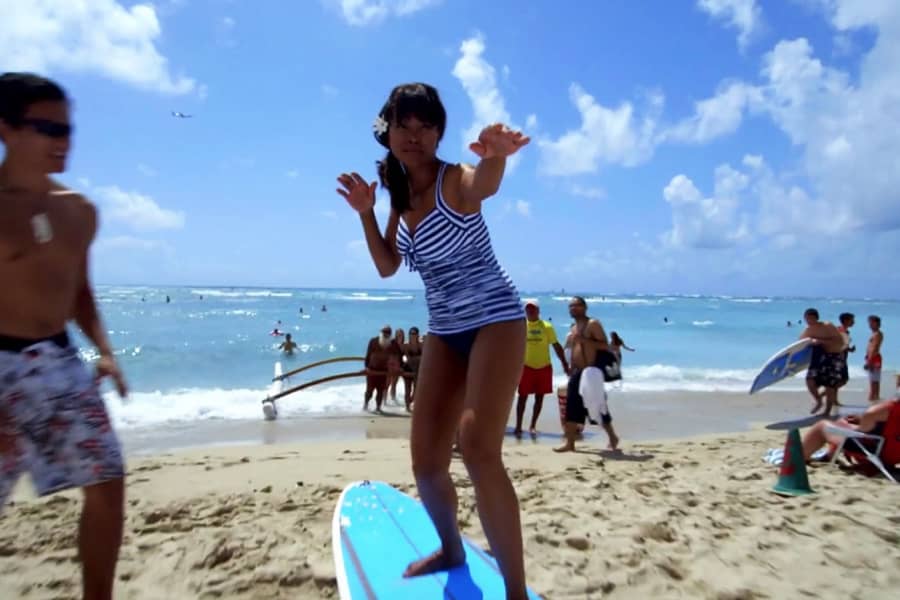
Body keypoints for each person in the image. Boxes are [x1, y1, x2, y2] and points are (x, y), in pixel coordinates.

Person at [336, 82, 530, 598]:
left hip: (495, 320)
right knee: (425, 460)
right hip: (444, 329)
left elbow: (482, 185)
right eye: (404, 125)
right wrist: (366, 213)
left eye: (425, 126)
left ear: (440, 133)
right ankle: (452, 548)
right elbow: (386, 265)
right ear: (389, 131)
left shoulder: (454, 182)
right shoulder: (400, 196)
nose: (414, 135)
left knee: (477, 447)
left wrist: (496, 157)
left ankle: (515, 592)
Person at [0, 72, 128, 600]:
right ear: (6, 129)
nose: (63, 141)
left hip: (56, 359)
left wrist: (106, 352)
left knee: (107, 481)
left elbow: (79, 292)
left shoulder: (79, 211)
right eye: (47, 128)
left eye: (68, 129)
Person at [554, 296, 620, 452]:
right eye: (570, 306)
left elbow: (604, 345)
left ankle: (612, 437)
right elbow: (572, 350)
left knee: (596, 405)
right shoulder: (573, 327)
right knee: (572, 405)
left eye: (576, 305)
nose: (573, 309)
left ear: (584, 307)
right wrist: (570, 366)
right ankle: (570, 443)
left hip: (591, 372)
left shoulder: (593, 324)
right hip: (577, 371)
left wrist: (584, 340)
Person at [515, 300, 568, 437]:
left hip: (544, 367)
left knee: (539, 398)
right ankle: (518, 426)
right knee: (522, 397)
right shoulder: (521, 326)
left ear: (538, 311)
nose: (530, 312)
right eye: (528, 310)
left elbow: (556, 346)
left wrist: (564, 363)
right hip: (526, 367)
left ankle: (533, 425)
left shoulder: (546, 326)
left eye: (533, 309)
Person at [801, 397, 897, 461]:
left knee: (822, 426)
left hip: (876, 453)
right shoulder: (884, 412)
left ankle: (800, 458)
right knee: (841, 423)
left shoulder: (885, 409)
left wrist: (855, 422)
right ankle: (830, 455)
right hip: (896, 455)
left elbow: (862, 432)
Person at [800, 308, 845, 417]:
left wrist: (820, 341)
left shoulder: (828, 325)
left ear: (816, 317)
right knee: (809, 380)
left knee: (829, 385)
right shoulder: (808, 330)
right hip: (818, 358)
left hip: (833, 357)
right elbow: (800, 345)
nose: (808, 321)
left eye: (810, 318)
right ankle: (819, 401)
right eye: (806, 319)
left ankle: (827, 412)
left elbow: (840, 341)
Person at [363, 325, 401, 413]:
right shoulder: (373, 341)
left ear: (390, 334)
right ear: (381, 332)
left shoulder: (393, 344)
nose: (386, 335)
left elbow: (399, 355)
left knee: (380, 390)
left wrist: (399, 367)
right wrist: (367, 367)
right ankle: (365, 406)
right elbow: (368, 355)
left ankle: (378, 408)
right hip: (372, 370)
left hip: (384, 371)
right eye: (384, 332)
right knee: (369, 390)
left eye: (388, 333)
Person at [401, 326, 423, 411]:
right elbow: (401, 357)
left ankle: (412, 402)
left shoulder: (421, 345)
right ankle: (407, 408)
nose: (412, 335)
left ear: (417, 335)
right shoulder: (406, 345)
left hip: (418, 370)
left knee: (416, 390)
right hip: (408, 369)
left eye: (414, 334)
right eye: (411, 334)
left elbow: (424, 357)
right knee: (407, 389)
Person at [865, 315, 884, 401]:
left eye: (871, 323)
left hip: (874, 358)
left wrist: (869, 361)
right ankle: (875, 400)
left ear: (876, 323)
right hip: (874, 358)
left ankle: (872, 402)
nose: (869, 325)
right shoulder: (876, 334)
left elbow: (875, 347)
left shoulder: (877, 334)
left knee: (873, 382)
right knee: (874, 381)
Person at [388, 327, 406, 403]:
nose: (399, 336)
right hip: (390, 365)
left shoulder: (404, 345)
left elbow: (406, 355)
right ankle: (384, 401)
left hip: (399, 365)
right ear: (395, 335)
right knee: (387, 384)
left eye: (401, 334)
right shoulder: (392, 343)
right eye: (398, 334)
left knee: (394, 383)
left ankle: (393, 399)